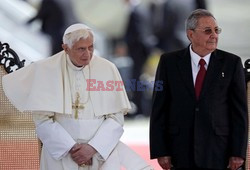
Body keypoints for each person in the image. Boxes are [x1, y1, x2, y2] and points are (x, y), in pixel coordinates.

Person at [3, 23, 153, 170]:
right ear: (66, 48)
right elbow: (42, 120)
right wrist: (71, 148)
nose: (87, 54)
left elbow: (116, 118)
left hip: (100, 153)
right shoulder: (47, 70)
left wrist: (93, 148)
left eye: (91, 47)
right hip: (61, 154)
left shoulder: (107, 69)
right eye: (81, 49)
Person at [150, 9, 248, 170]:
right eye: (208, 31)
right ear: (190, 34)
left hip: (218, 150)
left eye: (217, 30)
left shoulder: (231, 63)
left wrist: (238, 152)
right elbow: (159, 109)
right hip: (179, 149)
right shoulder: (169, 62)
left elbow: (239, 113)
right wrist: (161, 150)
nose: (214, 35)